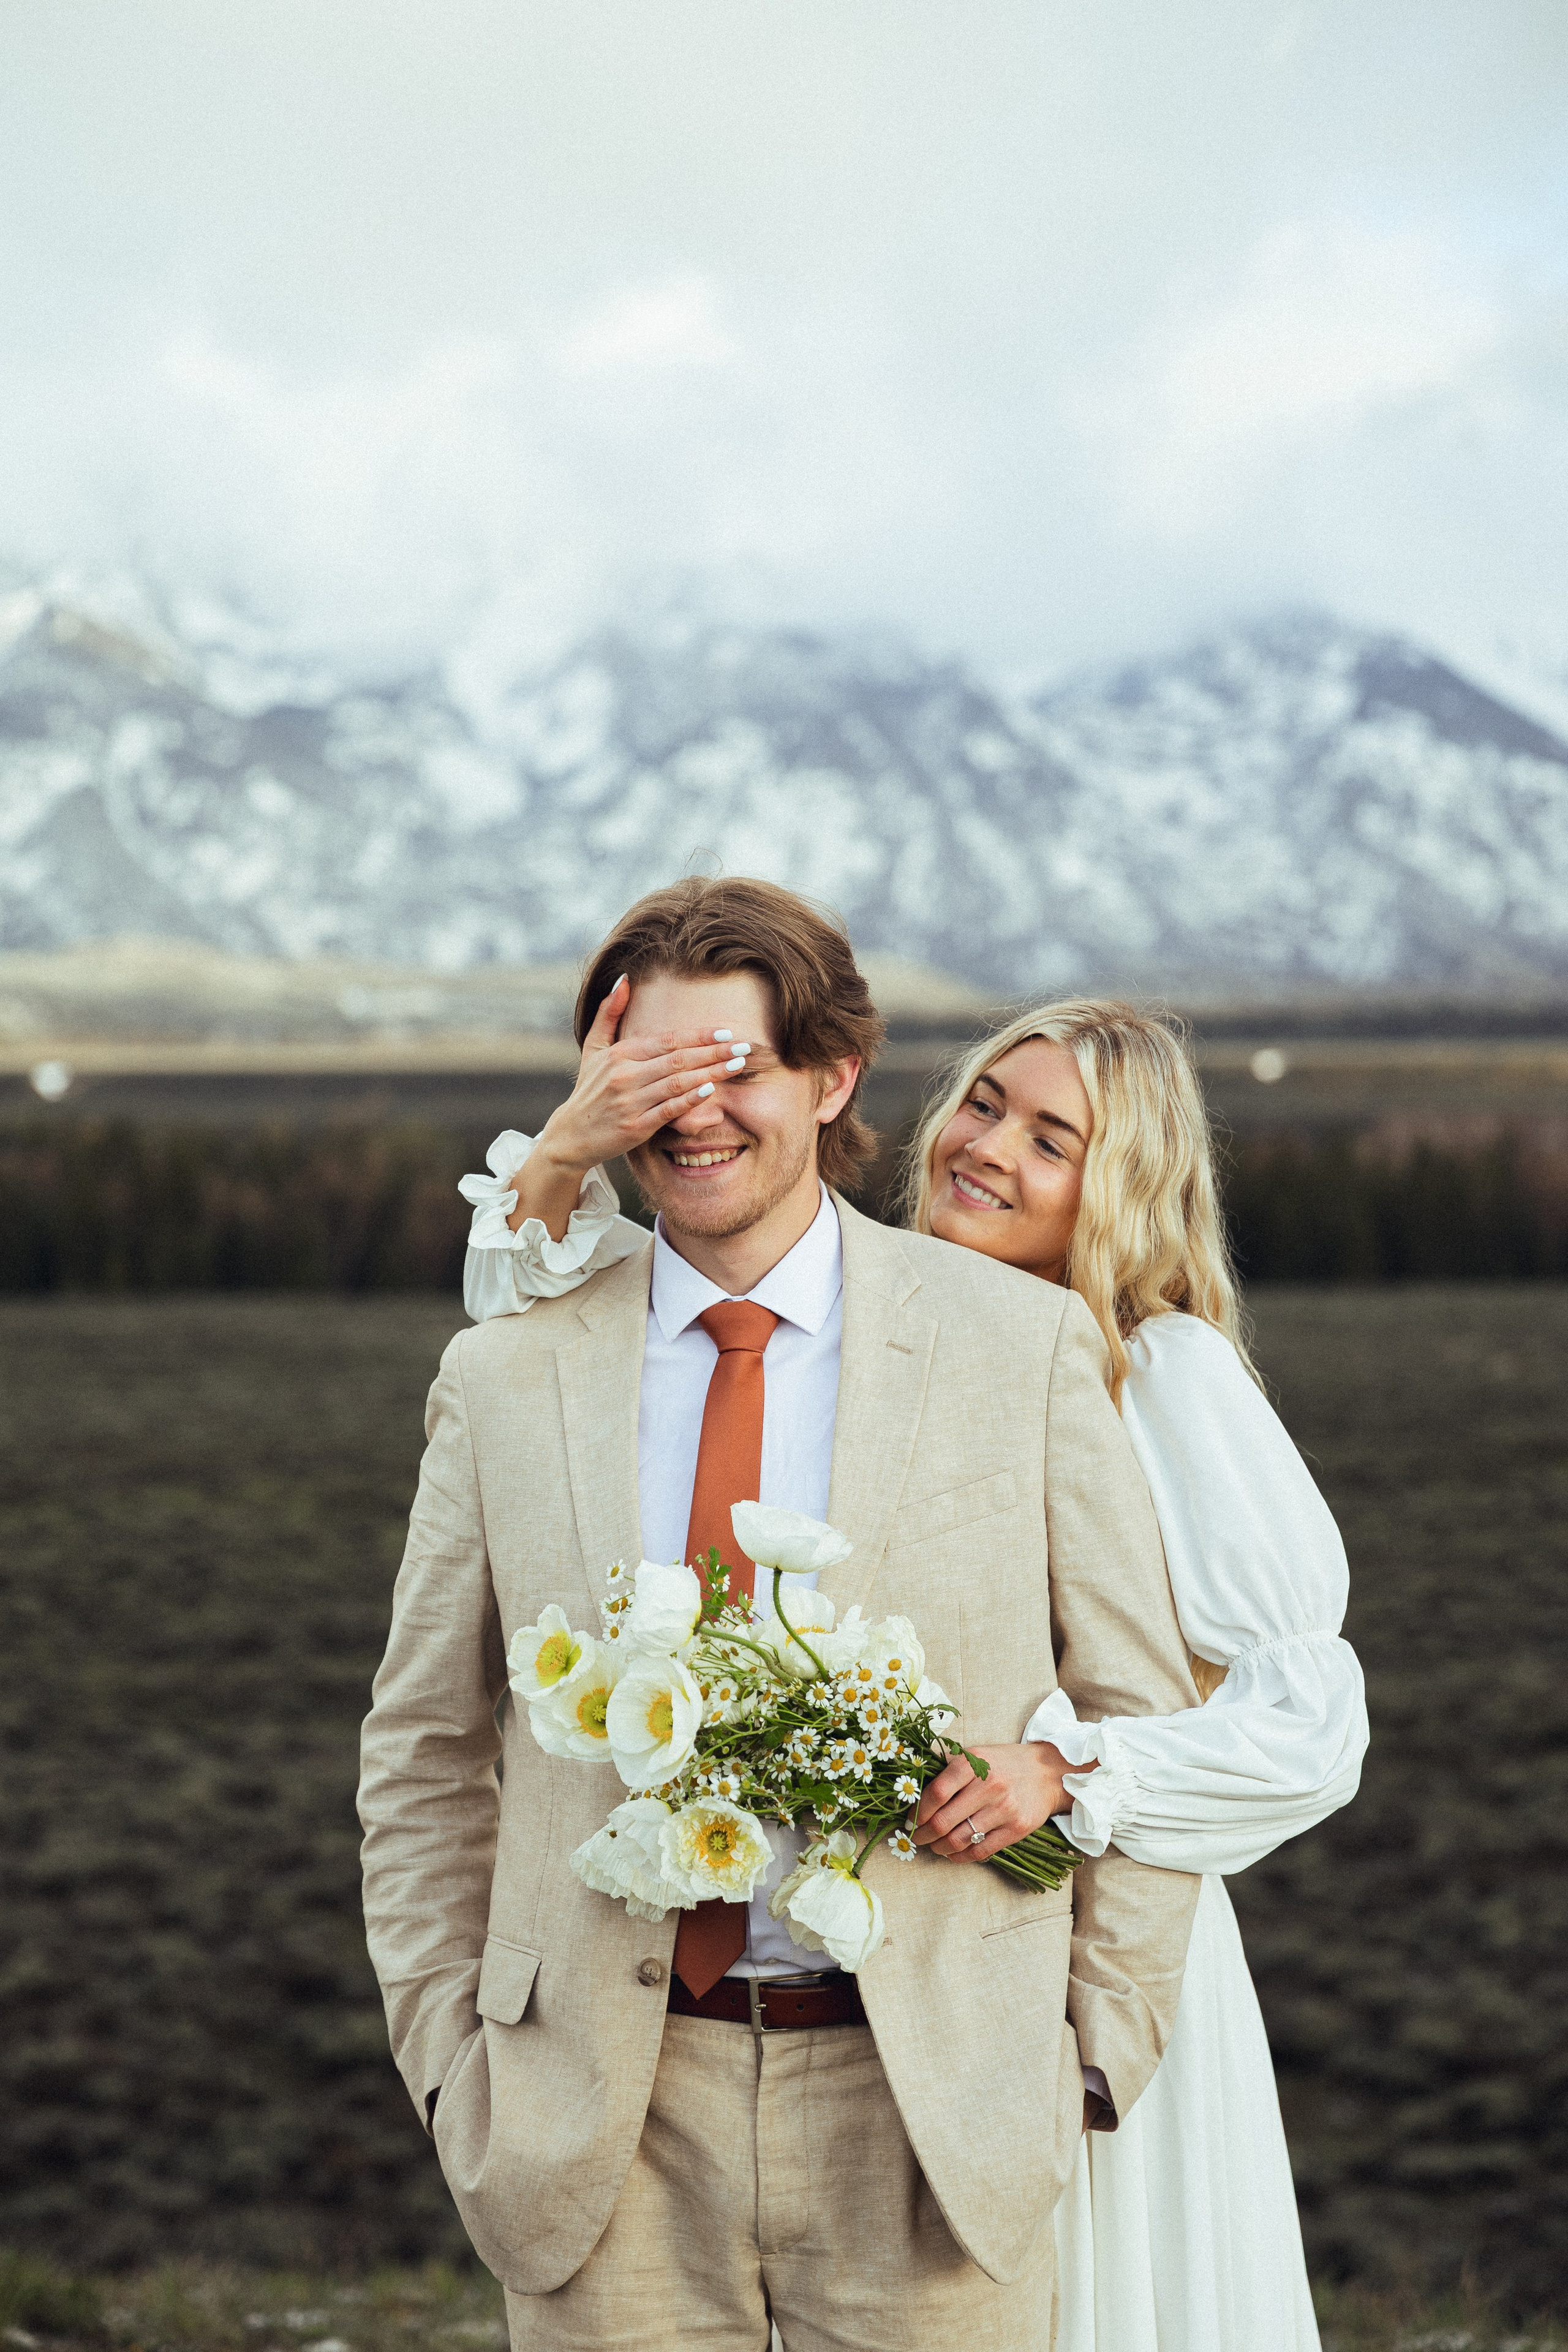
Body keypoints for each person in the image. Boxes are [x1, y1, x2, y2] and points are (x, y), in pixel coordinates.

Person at [461, 974, 1368, 2352]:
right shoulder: (884, 1325)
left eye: (1052, 1141)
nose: (988, 1148)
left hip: (1046, 1949)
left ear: (1123, 1187)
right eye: (985, 1104)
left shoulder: (1155, 1365)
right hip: (849, 2022)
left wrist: (1069, 1784)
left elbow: (1308, 1720)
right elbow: (536, 1349)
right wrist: (568, 1147)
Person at [358, 877, 1202, 2352]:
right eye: (649, 1075)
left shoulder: (1019, 1348)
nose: (692, 1114)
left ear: (832, 1077)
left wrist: (1085, 2059)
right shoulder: (503, 1377)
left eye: (734, 1067)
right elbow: (424, 1749)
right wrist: (452, 2063)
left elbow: (1141, 1712)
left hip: (935, 2121)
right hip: (598, 2135)